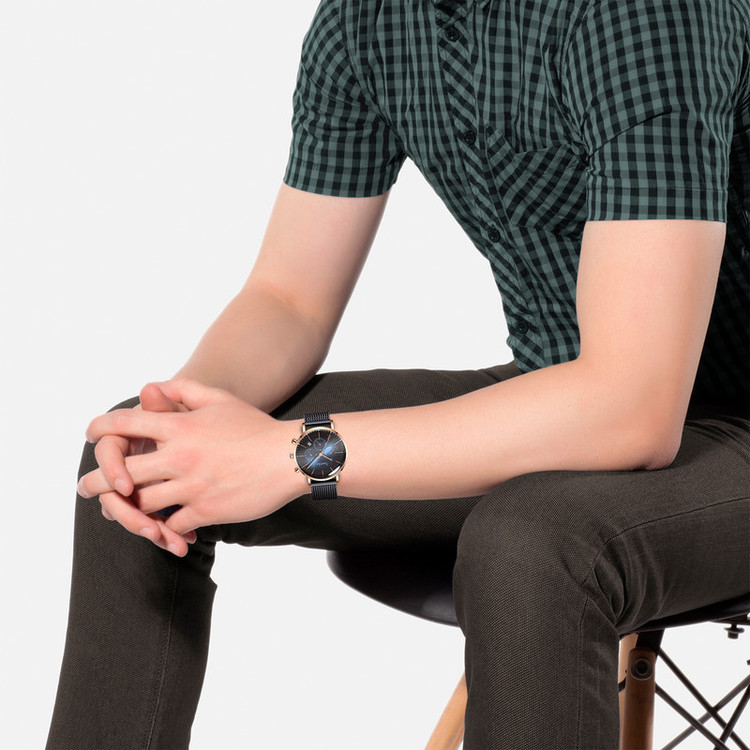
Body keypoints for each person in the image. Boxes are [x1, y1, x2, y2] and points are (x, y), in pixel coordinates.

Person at [46, 0, 749, 747]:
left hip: (712, 419)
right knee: (136, 466)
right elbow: (287, 299)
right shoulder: (367, 20)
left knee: (531, 543)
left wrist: (293, 456)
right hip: (562, 394)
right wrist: (184, 427)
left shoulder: (643, 13)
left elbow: (631, 408)